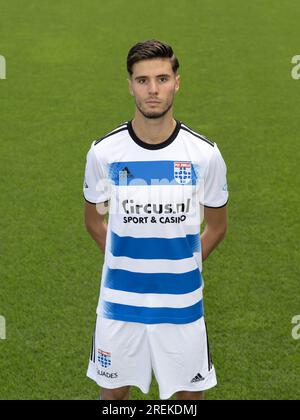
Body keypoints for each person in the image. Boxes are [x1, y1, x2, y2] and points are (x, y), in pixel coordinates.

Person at [83, 39, 228, 401]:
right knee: (113, 397)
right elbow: (93, 221)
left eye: (162, 79)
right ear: (130, 84)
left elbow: (217, 226)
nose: (152, 89)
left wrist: (185, 265)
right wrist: (123, 261)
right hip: (119, 305)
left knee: (187, 400)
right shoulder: (104, 153)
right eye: (142, 80)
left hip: (182, 305)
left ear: (177, 82)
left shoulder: (205, 155)